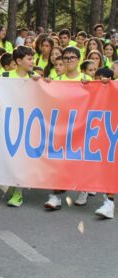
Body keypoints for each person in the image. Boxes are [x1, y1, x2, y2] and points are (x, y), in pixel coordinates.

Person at [43, 47, 90, 210]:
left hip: (82, 126)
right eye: (66, 58)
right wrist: (45, 85)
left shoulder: (87, 79)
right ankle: (55, 196)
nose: (69, 60)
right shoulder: (56, 79)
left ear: (78, 59)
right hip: (62, 127)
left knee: (80, 161)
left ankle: (83, 190)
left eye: (72, 57)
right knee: (57, 162)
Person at [0, 45, 36, 207]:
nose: (32, 61)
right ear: (19, 61)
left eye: (33, 58)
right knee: (9, 155)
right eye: (29, 58)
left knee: (20, 156)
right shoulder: (5, 75)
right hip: (7, 121)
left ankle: (18, 192)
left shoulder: (34, 78)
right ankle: (11, 183)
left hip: (26, 122)